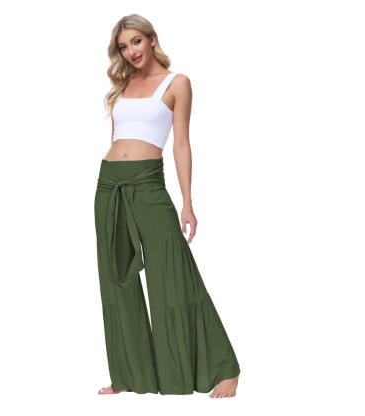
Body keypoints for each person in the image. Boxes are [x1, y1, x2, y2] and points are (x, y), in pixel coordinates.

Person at [95, 14, 240, 398]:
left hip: (148, 184)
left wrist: (187, 202)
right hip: (109, 185)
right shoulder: (124, 84)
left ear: (152, 39)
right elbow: (117, 137)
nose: (131, 51)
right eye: (123, 46)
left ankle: (224, 367)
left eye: (136, 41)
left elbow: (181, 144)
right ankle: (130, 375)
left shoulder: (177, 83)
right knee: (116, 279)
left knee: (172, 275)